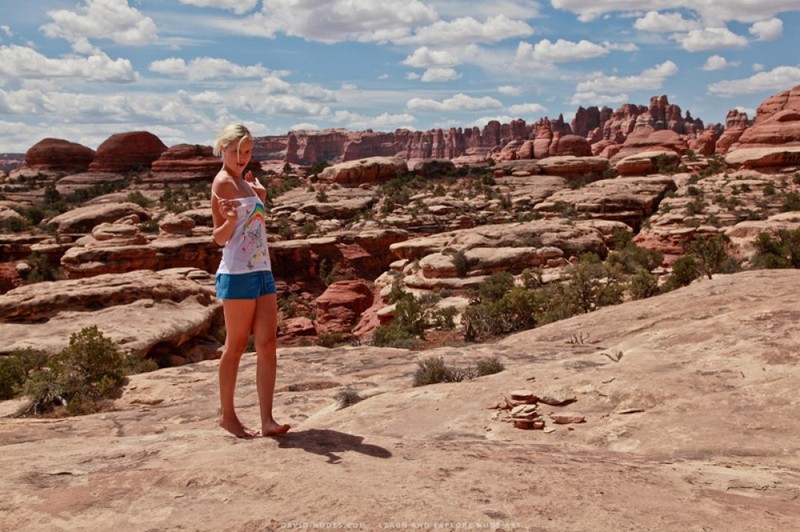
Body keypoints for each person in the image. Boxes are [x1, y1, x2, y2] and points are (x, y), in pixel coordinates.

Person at [210, 123, 290, 438]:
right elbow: (219, 237)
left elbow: (253, 225)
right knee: (236, 345)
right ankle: (227, 416)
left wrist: (261, 197)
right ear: (223, 150)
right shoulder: (222, 183)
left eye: (247, 152)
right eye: (235, 152)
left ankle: (267, 420)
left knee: (268, 344)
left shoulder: (245, 182)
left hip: (262, 271)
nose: (242, 158)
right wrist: (228, 221)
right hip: (237, 273)